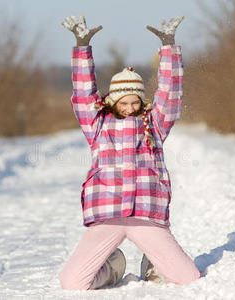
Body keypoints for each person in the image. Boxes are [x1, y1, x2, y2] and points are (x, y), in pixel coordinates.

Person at [58, 15, 201, 290]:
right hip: (108, 213)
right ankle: (113, 265)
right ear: (113, 101)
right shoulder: (98, 124)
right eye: (124, 102)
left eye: (136, 101)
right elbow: (83, 93)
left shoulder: (154, 124)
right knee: (72, 283)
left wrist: (168, 48)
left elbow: (170, 93)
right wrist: (82, 46)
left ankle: (152, 265)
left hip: (146, 215)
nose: (130, 107)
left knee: (189, 279)